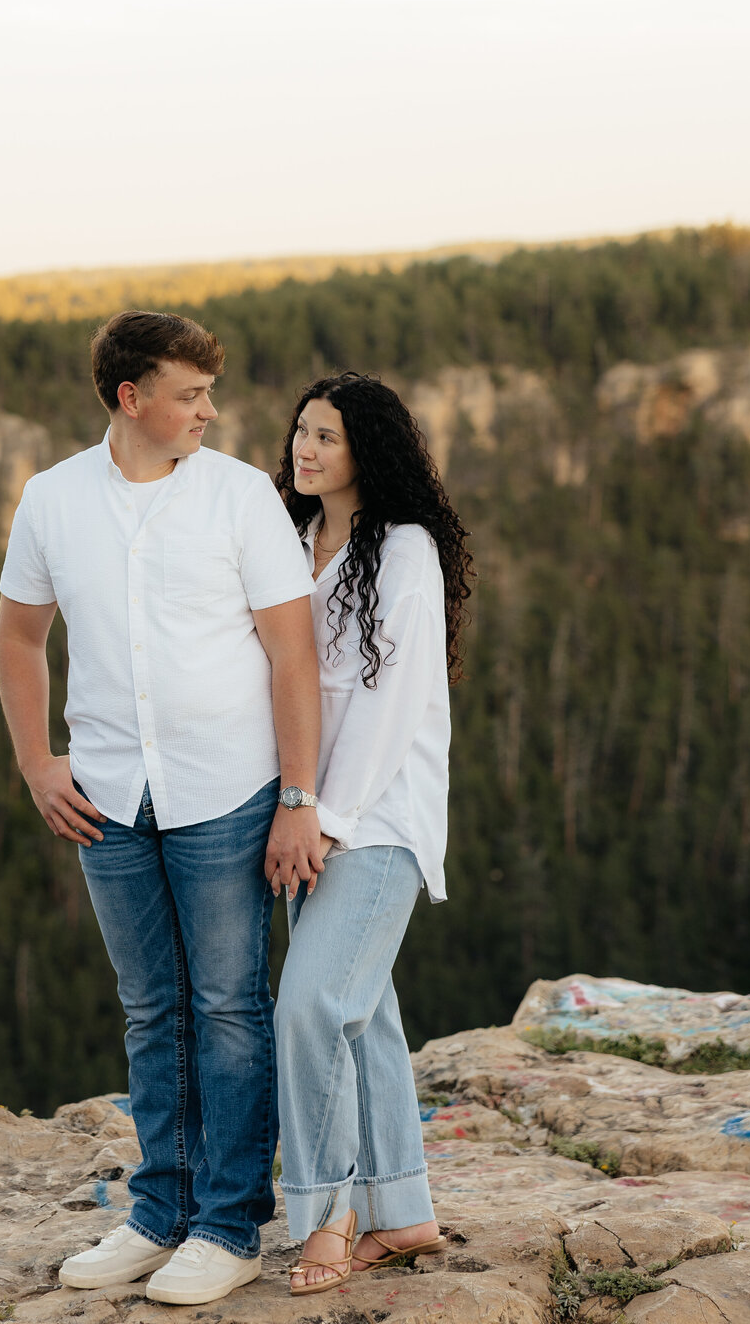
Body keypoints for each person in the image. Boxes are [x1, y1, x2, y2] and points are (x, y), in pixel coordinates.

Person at [0, 311, 325, 1307]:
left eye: (208, 394)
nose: (208, 413)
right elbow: (18, 639)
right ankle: (159, 1212)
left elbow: (294, 655)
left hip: (228, 792)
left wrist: (299, 798)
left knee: (227, 1008)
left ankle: (229, 1227)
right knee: (152, 1008)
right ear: (130, 397)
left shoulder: (239, 499)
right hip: (106, 796)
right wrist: (36, 765)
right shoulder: (53, 500)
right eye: (189, 395)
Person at [269, 372, 473, 1295]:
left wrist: (324, 816)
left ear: (369, 452)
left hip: (374, 818)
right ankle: (405, 1211)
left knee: (309, 1005)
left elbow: (392, 711)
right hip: (303, 810)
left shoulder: (404, 552)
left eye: (328, 438)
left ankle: (325, 1215)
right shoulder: (300, 539)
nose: (307, 450)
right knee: (363, 1016)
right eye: (302, 433)